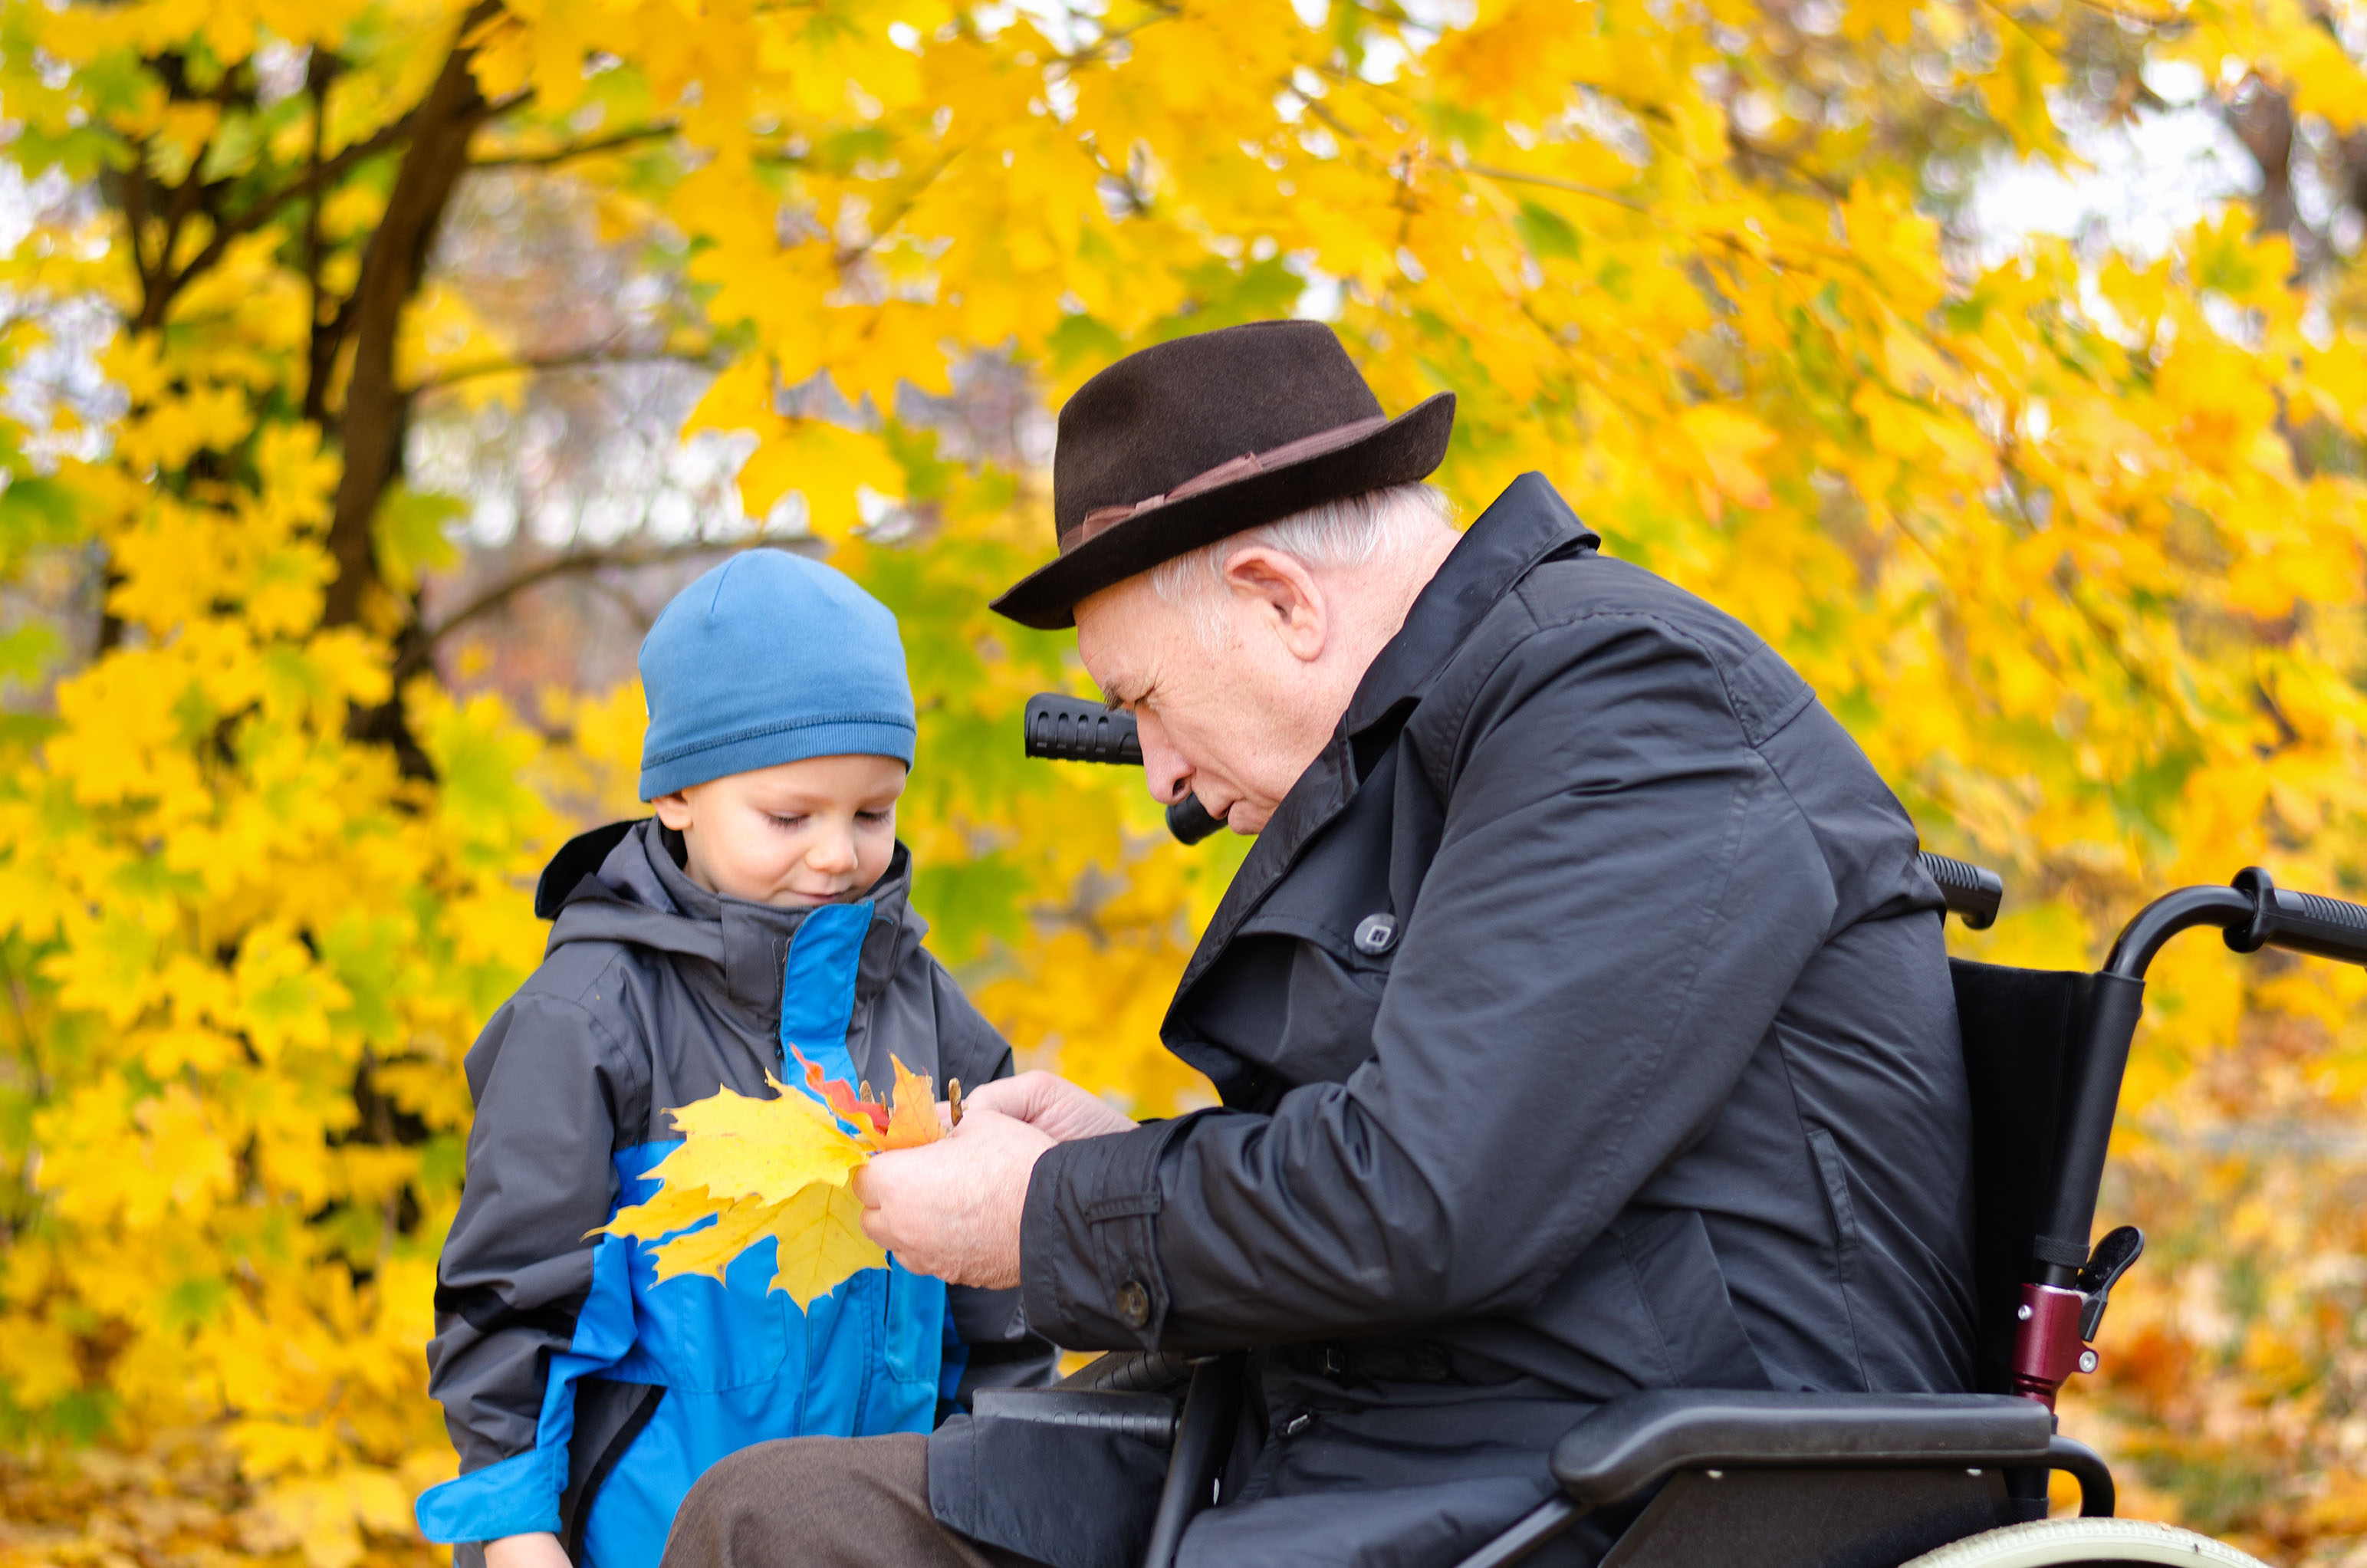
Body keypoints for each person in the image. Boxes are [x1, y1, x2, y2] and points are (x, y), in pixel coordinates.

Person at [661, 320, 1980, 1568]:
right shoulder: (1451, 736)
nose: (1163, 778)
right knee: (771, 1520)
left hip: (1647, 1480)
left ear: (1281, 598)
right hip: (1385, 1416)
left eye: (1148, 705)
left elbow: (1423, 1195)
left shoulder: (1629, 705)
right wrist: (1115, 1165)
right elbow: (1419, 1151)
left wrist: (1044, 1214)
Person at [415, 550, 1052, 1568]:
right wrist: (514, 1530)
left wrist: (1013, 1490)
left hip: (881, 1538)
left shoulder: (926, 1010)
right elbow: (507, 1301)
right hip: (646, 1541)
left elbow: (999, 1299)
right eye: (791, 816)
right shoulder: (590, 1019)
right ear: (676, 795)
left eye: (871, 812)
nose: (839, 853)